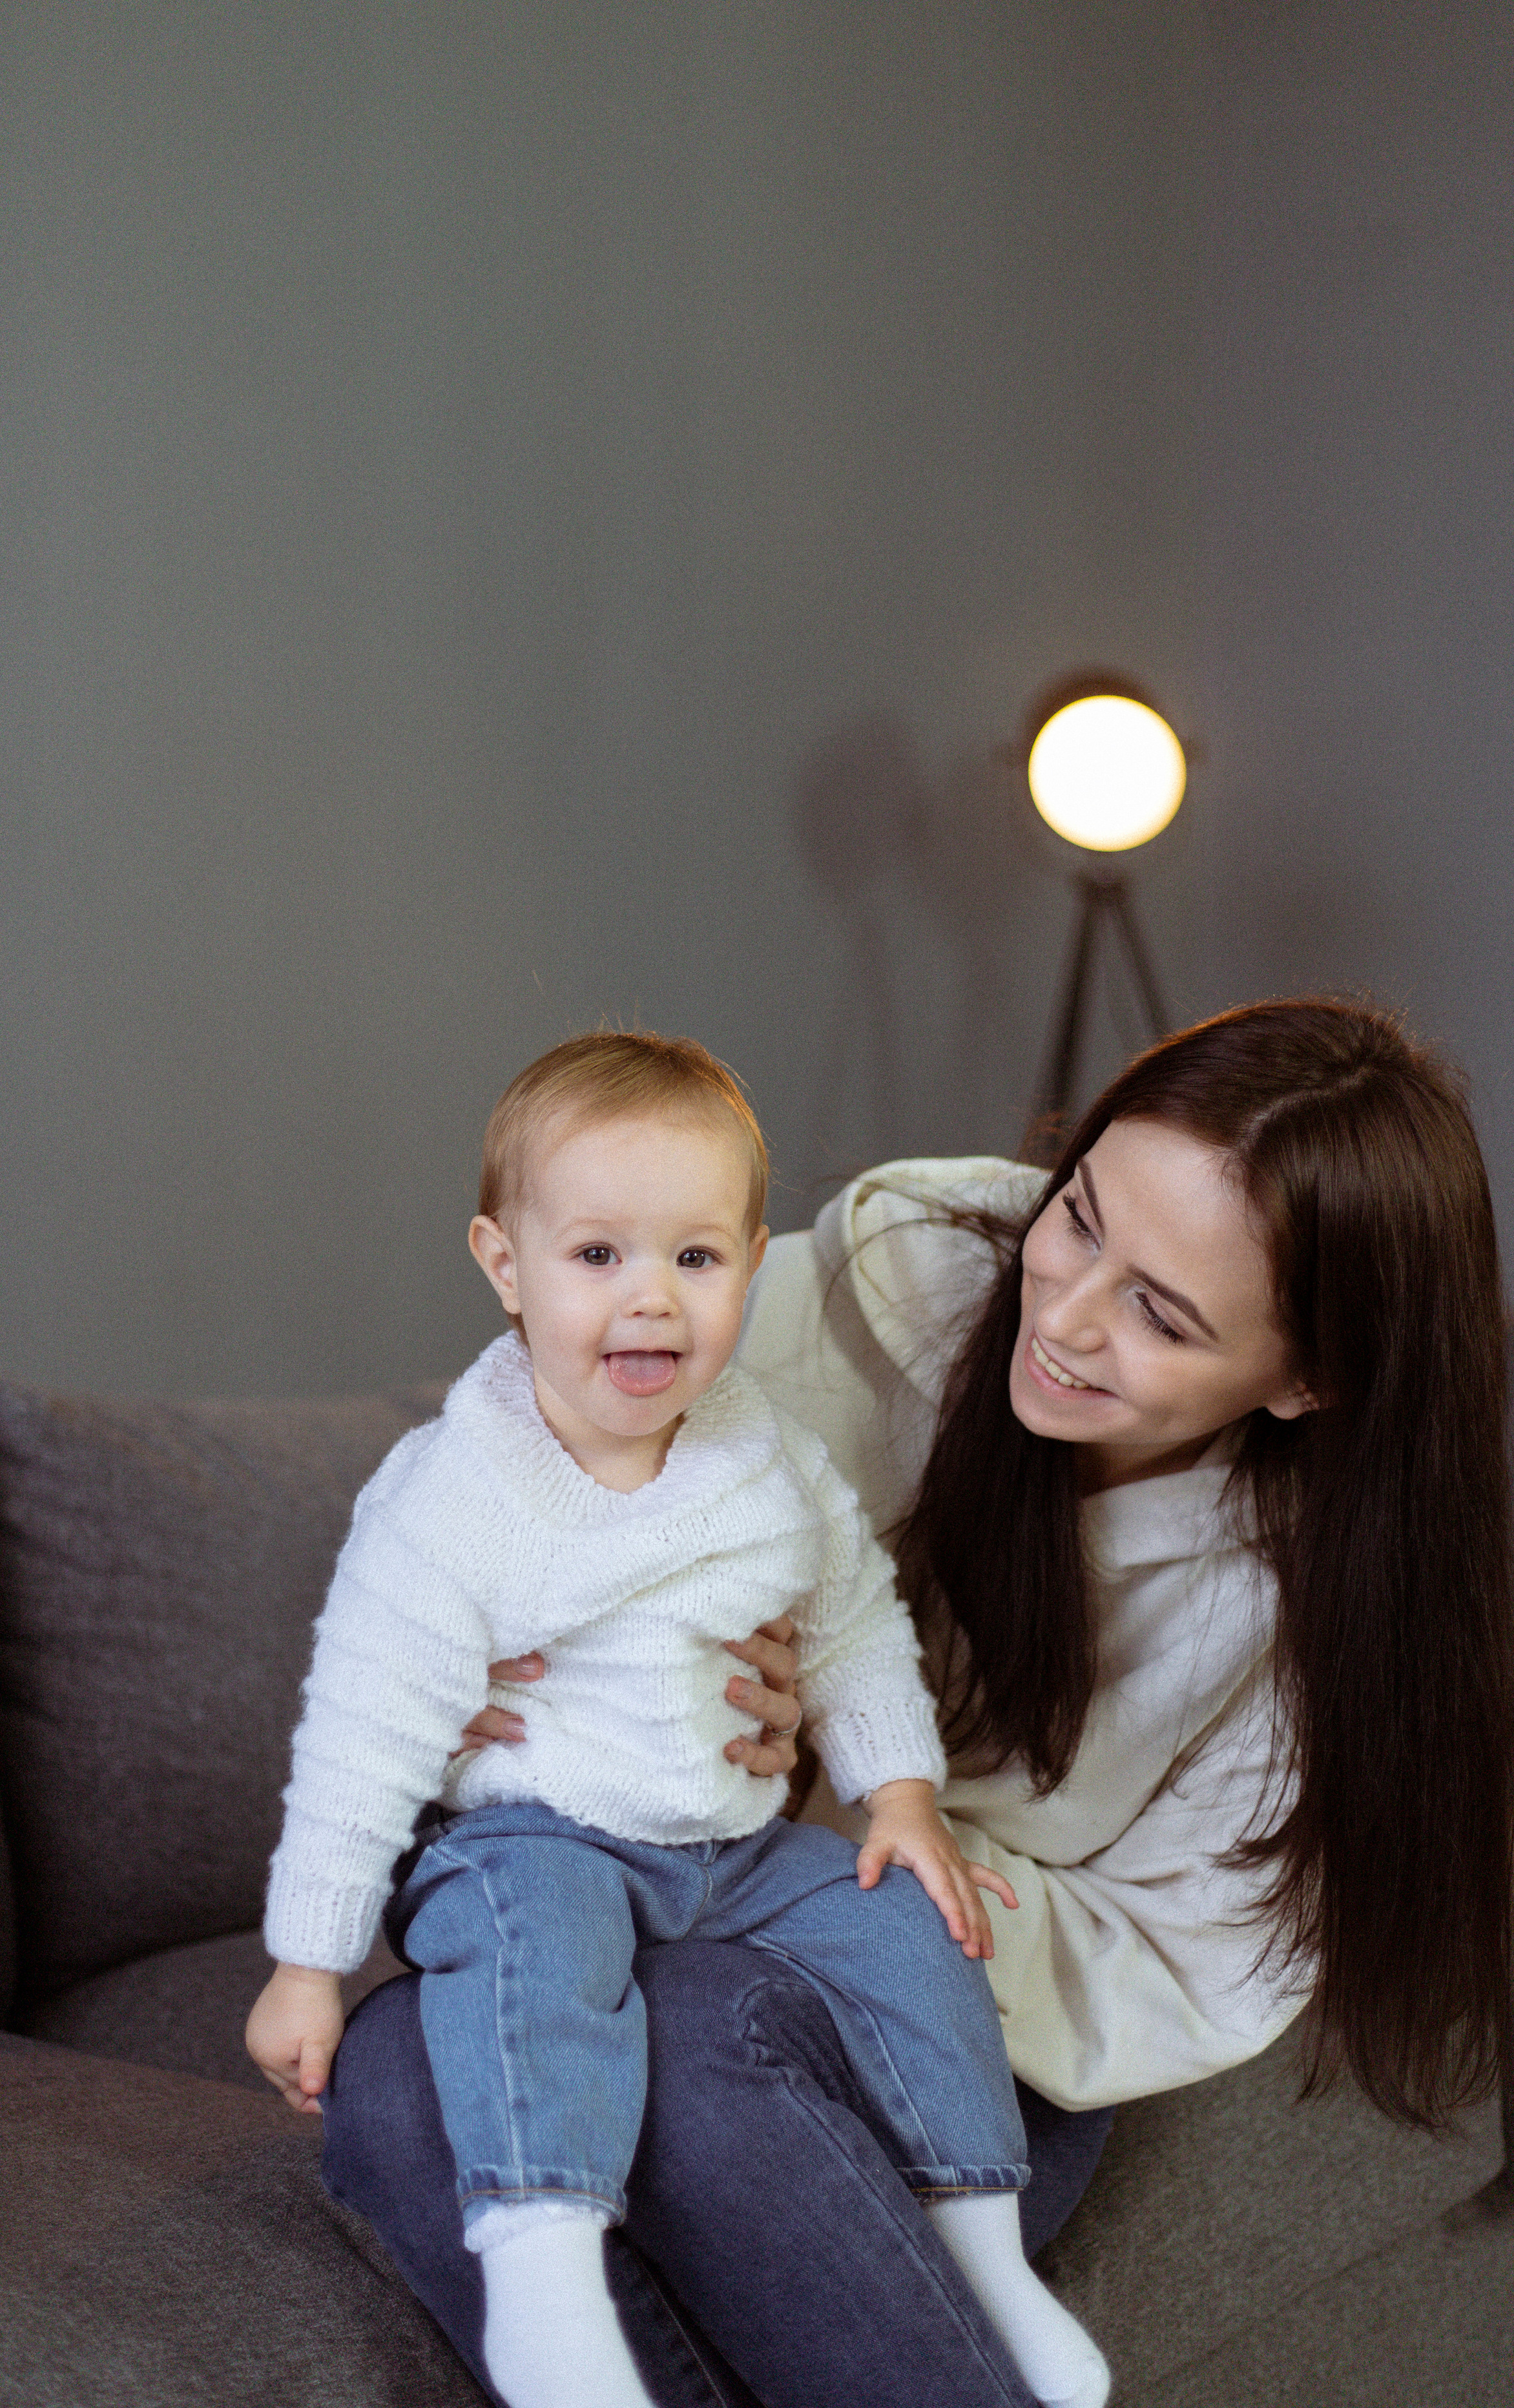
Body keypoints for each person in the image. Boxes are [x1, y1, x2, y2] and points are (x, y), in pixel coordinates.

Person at [319, 997, 1514, 2408]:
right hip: (622, 1886)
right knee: (397, 2071)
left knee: (698, 2040)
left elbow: (1161, 1960)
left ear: (1306, 1379)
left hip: (968, 2037)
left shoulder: (1321, 1614)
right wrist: (470, 1679)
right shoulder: (894, 1288)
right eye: (1078, 1221)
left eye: (1160, 1315)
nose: (1058, 1317)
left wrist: (823, 1795)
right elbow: (538, 1452)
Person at [247, 1032, 1109, 2408]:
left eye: (694, 1261)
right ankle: (543, 2277)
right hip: (540, 1837)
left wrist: (895, 1797)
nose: (648, 1300)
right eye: (596, 1256)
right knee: (537, 1957)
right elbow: (361, 1738)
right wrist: (307, 1960)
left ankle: (984, 2259)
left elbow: (848, 1625)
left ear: (750, 1267)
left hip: (732, 1852)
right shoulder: (453, 1494)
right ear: (502, 1265)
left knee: (907, 1917)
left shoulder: (759, 1450)